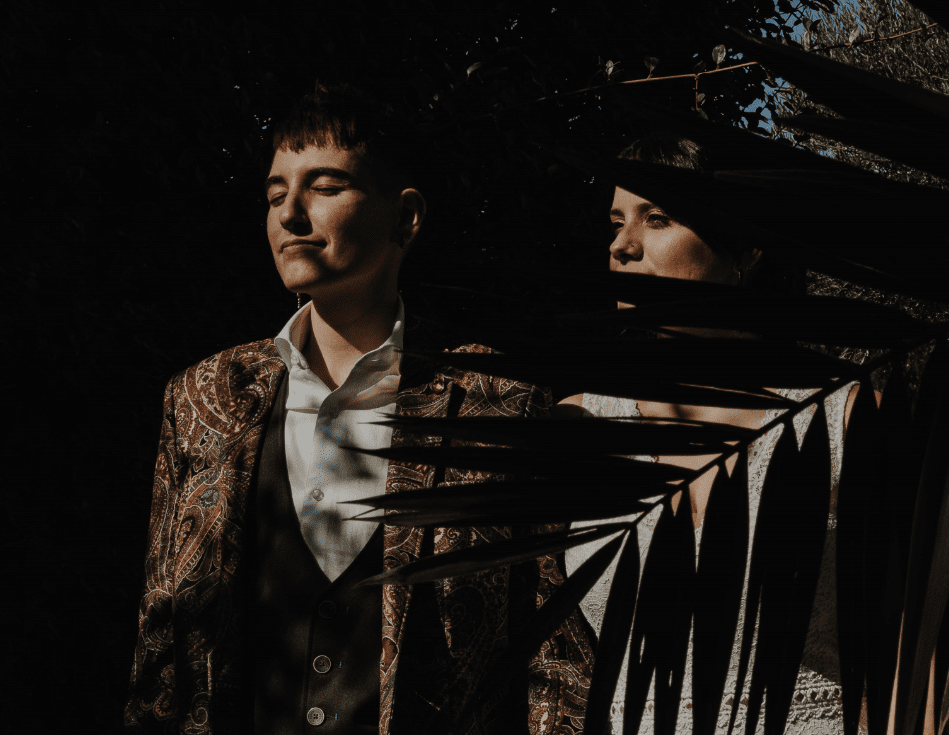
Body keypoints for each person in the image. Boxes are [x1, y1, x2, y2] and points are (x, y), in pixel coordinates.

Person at [124, 82, 594, 734]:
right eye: (273, 193)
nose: (289, 214)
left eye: (323, 186)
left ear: (405, 216)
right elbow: (159, 646)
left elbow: (549, 651)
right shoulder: (206, 396)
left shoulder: (495, 404)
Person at [554, 131, 879, 735]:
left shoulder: (843, 418)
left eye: (658, 218)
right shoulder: (581, 425)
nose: (622, 246)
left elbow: (921, 633)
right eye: (616, 221)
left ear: (746, 248)